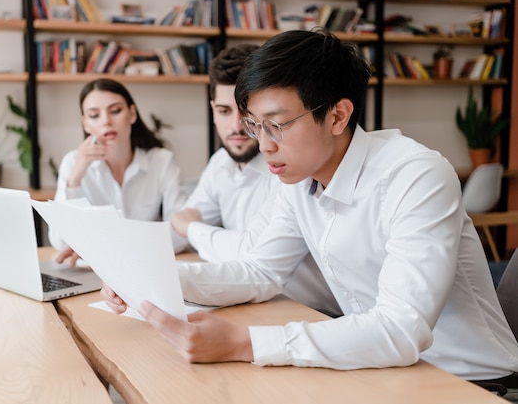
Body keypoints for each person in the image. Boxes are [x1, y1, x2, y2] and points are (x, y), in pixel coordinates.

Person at [102, 29, 518, 382]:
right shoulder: (298, 178)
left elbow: (400, 327)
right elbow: (260, 270)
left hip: (470, 380)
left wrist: (243, 342)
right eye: (255, 125)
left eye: (277, 125)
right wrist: (151, 277)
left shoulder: (416, 175)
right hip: (384, 368)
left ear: (337, 116)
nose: (263, 144)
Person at [171, 44, 340, 316]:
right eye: (225, 112)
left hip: (314, 312)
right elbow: (179, 225)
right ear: (213, 110)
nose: (237, 126)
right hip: (265, 303)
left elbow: (250, 255)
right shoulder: (221, 163)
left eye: (246, 113)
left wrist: (192, 229)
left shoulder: (291, 168)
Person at [50, 78, 187, 266]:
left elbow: (181, 234)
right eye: (94, 115)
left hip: (147, 268)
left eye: (115, 111)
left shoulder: (161, 161)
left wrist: (100, 248)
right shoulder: (72, 163)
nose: (106, 121)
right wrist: (75, 179)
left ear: (132, 114)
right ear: (85, 124)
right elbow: (60, 241)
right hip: (93, 272)